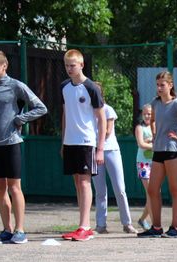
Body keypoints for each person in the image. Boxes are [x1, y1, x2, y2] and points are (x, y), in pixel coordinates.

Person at [0, 50, 47, 244]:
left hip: (11, 143)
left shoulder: (16, 86)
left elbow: (41, 107)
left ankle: (20, 230)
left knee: (14, 187)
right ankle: (6, 230)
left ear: (4, 66)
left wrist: (20, 119)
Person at [137, 71, 177, 238]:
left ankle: (175, 228)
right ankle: (156, 227)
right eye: (157, 85)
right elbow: (152, 121)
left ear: (170, 85)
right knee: (152, 189)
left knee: (174, 190)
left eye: (162, 85)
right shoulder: (155, 103)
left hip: (173, 151)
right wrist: (154, 133)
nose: (159, 88)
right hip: (158, 151)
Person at [60, 49, 105, 242]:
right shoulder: (64, 87)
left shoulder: (91, 88)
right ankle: (81, 224)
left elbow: (101, 119)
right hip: (70, 141)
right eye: (67, 65)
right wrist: (63, 141)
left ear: (81, 65)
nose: (70, 69)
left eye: (73, 65)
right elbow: (65, 115)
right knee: (77, 182)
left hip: (86, 141)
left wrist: (100, 147)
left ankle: (86, 227)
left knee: (85, 182)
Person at [91, 83, 136, 234]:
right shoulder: (86, 111)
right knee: (99, 190)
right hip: (93, 152)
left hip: (110, 151)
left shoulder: (108, 109)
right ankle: (101, 225)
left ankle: (127, 223)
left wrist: (99, 146)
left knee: (119, 188)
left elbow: (108, 131)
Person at [134, 104, 154, 231]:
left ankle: (142, 220)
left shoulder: (155, 126)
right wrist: (152, 143)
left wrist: (151, 140)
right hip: (143, 163)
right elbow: (141, 144)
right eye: (146, 113)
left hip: (155, 162)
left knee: (155, 193)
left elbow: (160, 139)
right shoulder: (139, 128)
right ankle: (155, 224)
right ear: (142, 114)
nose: (148, 116)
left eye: (150, 114)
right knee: (151, 193)